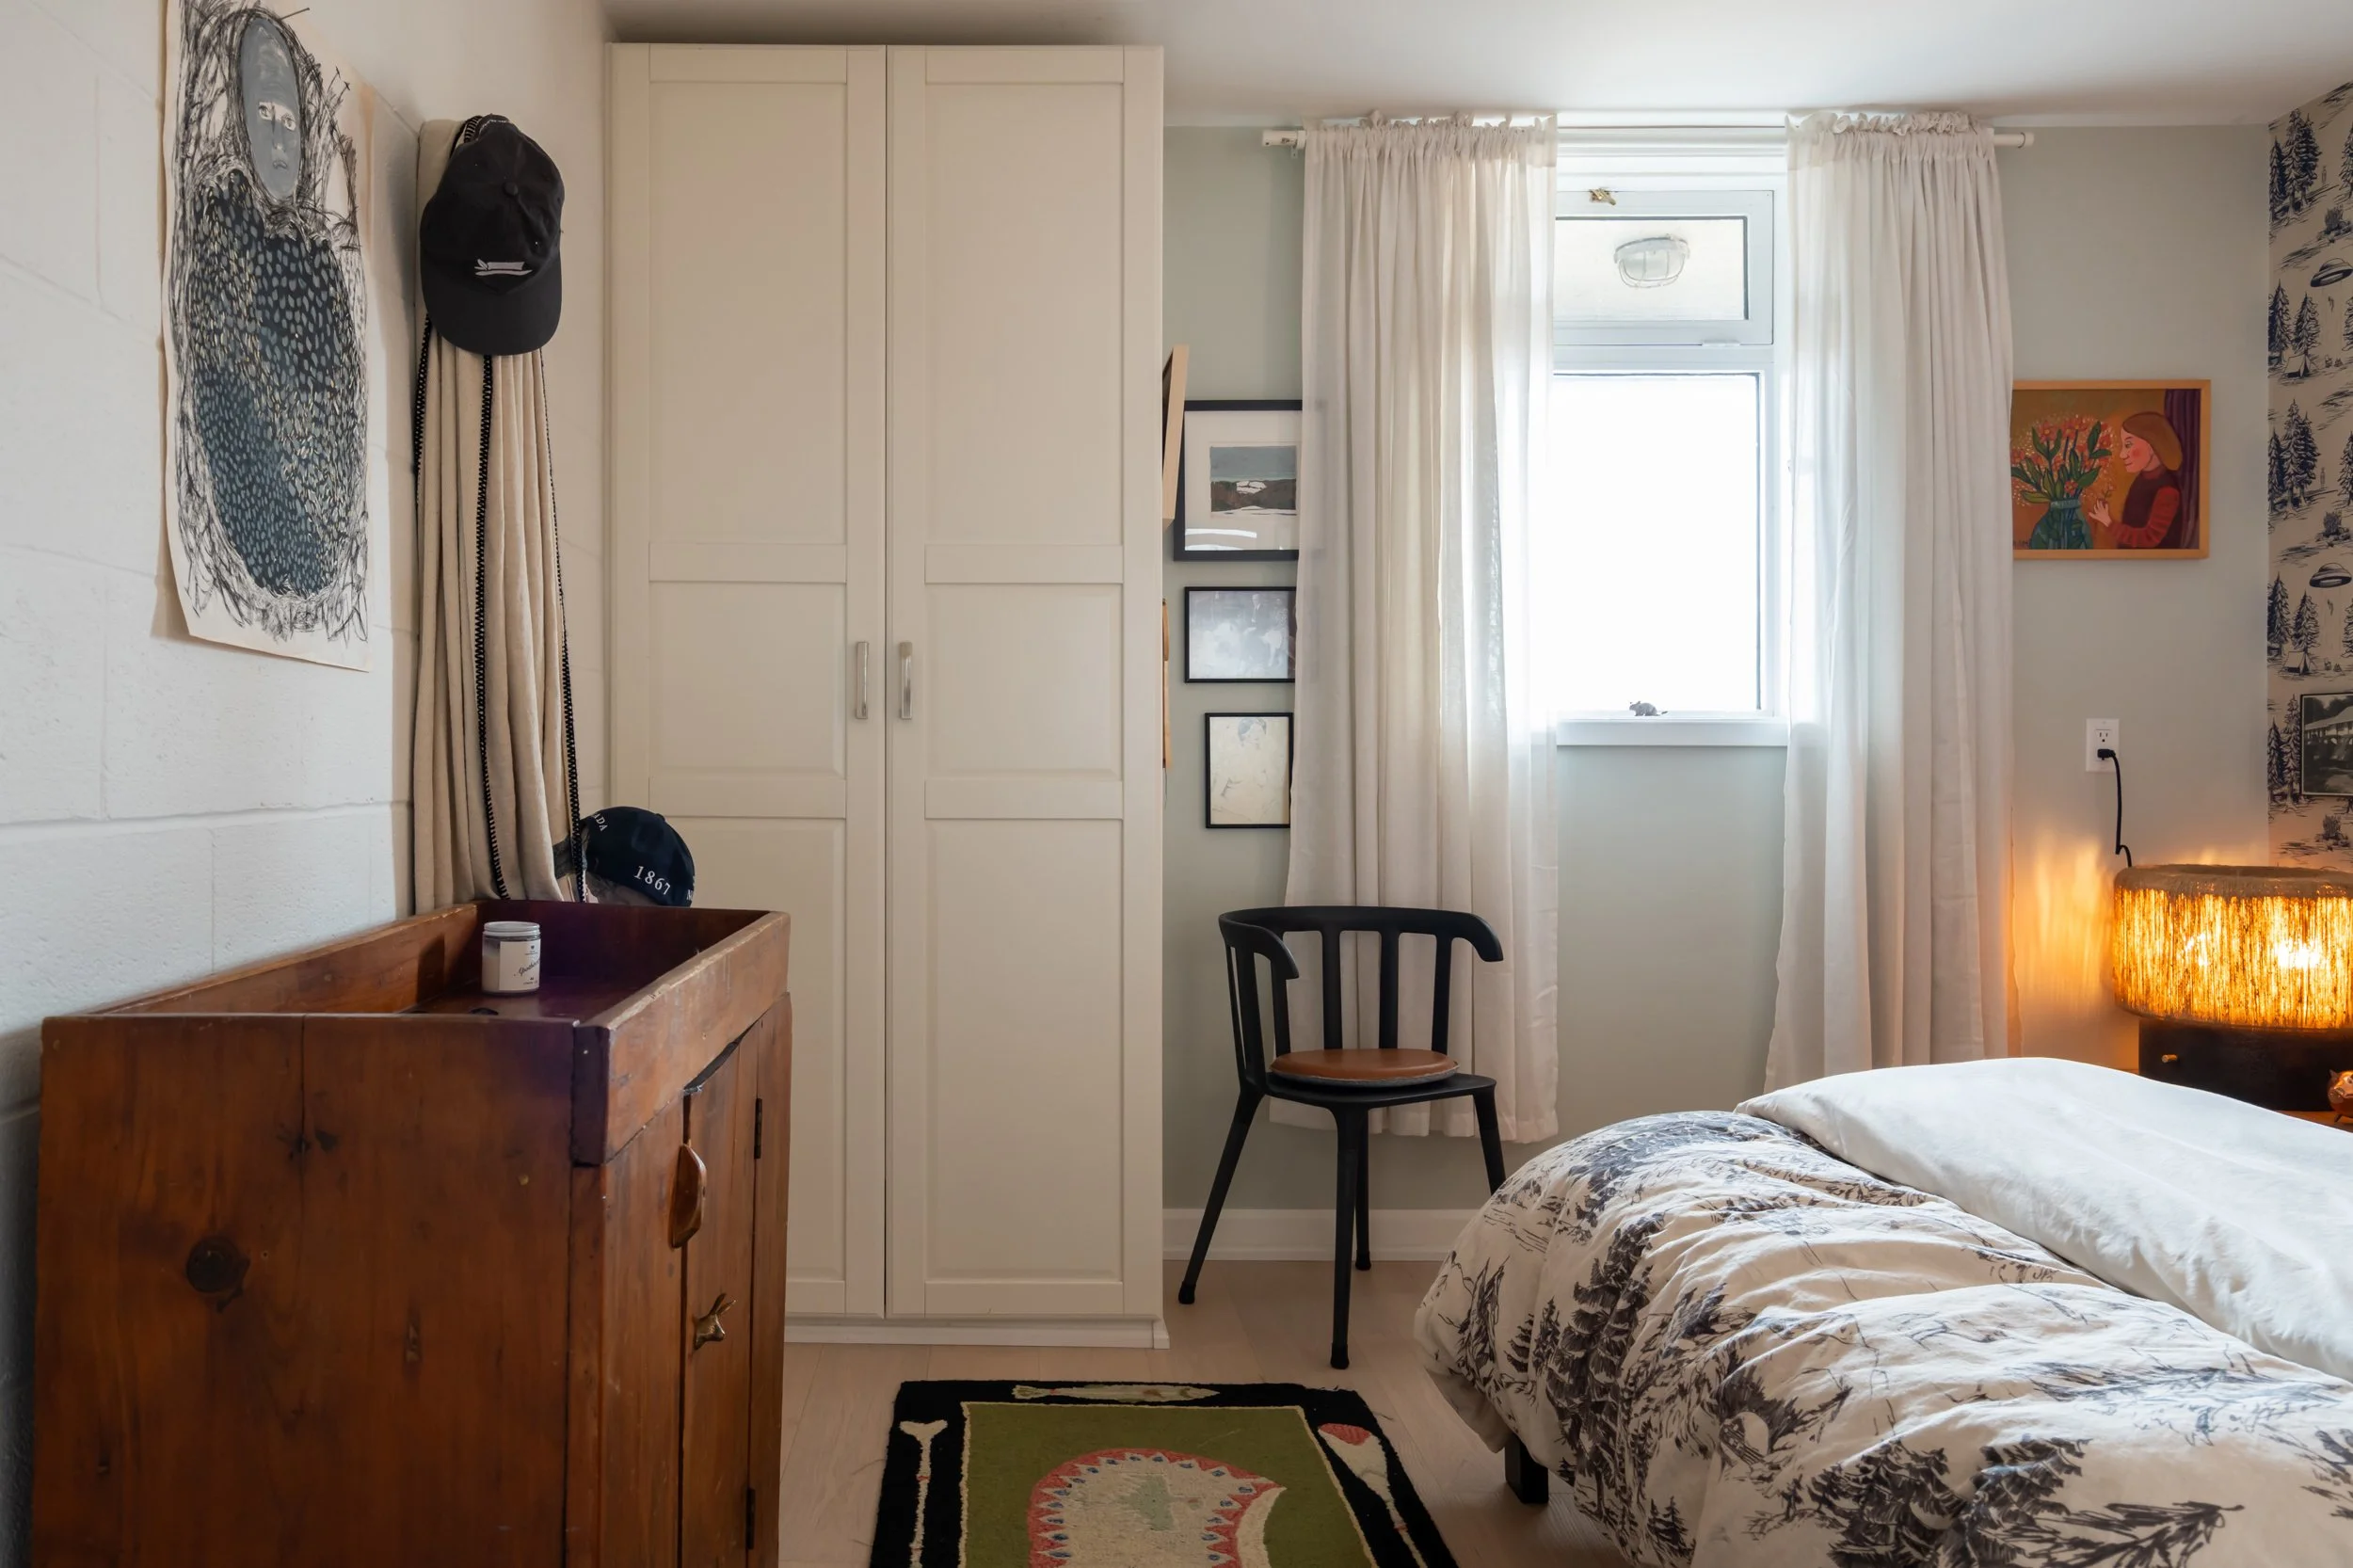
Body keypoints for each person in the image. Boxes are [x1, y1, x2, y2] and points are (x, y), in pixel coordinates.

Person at [2086, 411, 2187, 550]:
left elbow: (2149, 539)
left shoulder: (2167, 491)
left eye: (2128, 445)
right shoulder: (2142, 480)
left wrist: (2109, 523)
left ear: (2152, 444)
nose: (2122, 454)